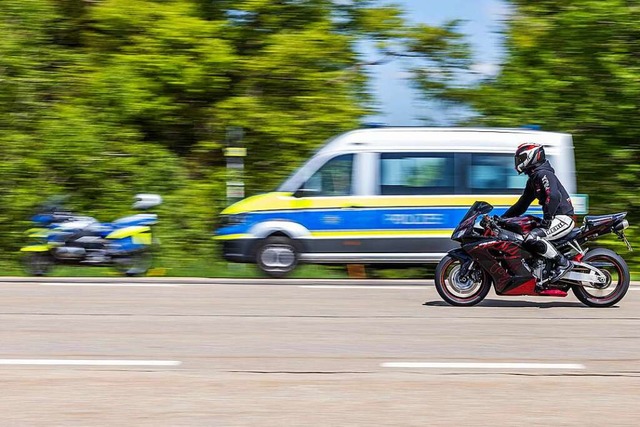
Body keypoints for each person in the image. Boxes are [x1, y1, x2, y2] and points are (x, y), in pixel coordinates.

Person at [502, 143, 575, 286]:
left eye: (521, 158)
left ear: (532, 156)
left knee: (532, 237)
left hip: (563, 218)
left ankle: (563, 263)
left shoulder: (544, 174)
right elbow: (521, 205)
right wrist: (503, 219)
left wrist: (548, 218)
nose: (518, 162)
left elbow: (553, 196)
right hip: (555, 218)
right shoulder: (534, 179)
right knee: (525, 235)